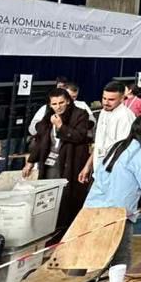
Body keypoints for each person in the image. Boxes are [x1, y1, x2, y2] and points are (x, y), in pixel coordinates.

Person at [62, 114, 141, 282]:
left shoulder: (117, 147)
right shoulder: (140, 156)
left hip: (92, 210)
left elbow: (99, 175)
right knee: (121, 260)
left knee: (81, 257)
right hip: (117, 215)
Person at [26, 89, 93, 235]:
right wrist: (31, 161)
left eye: (61, 102)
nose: (58, 107)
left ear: (68, 101)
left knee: (67, 199)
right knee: (48, 197)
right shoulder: (48, 116)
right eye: (54, 104)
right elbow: (41, 139)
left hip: (70, 163)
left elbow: (79, 136)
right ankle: (49, 229)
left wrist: (61, 126)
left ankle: (66, 231)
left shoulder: (80, 114)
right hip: (50, 164)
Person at [80, 81, 132, 184]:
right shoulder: (104, 112)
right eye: (104, 98)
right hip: (98, 171)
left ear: (122, 99)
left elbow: (123, 151)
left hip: (113, 175)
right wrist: (88, 166)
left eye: (111, 100)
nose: (106, 102)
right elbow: (99, 144)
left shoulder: (125, 117)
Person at [27, 77, 91, 136]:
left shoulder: (82, 105)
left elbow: (92, 122)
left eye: (74, 97)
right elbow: (32, 128)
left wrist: (79, 124)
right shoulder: (47, 108)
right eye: (69, 96)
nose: (71, 99)